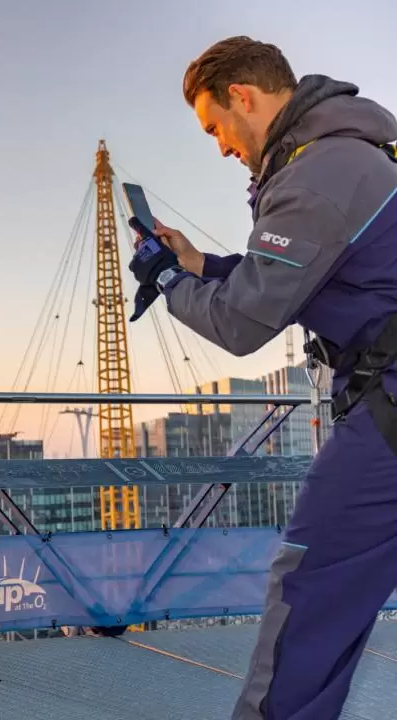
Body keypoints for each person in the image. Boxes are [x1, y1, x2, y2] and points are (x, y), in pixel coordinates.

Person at [125, 37, 397, 719]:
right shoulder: (349, 152)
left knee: (308, 587)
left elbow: (243, 325)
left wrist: (163, 277)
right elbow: (294, 277)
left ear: (243, 97)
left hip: (388, 411)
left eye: (214, 126)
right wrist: (200, 265)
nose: (219, 146)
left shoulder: (314, 177)